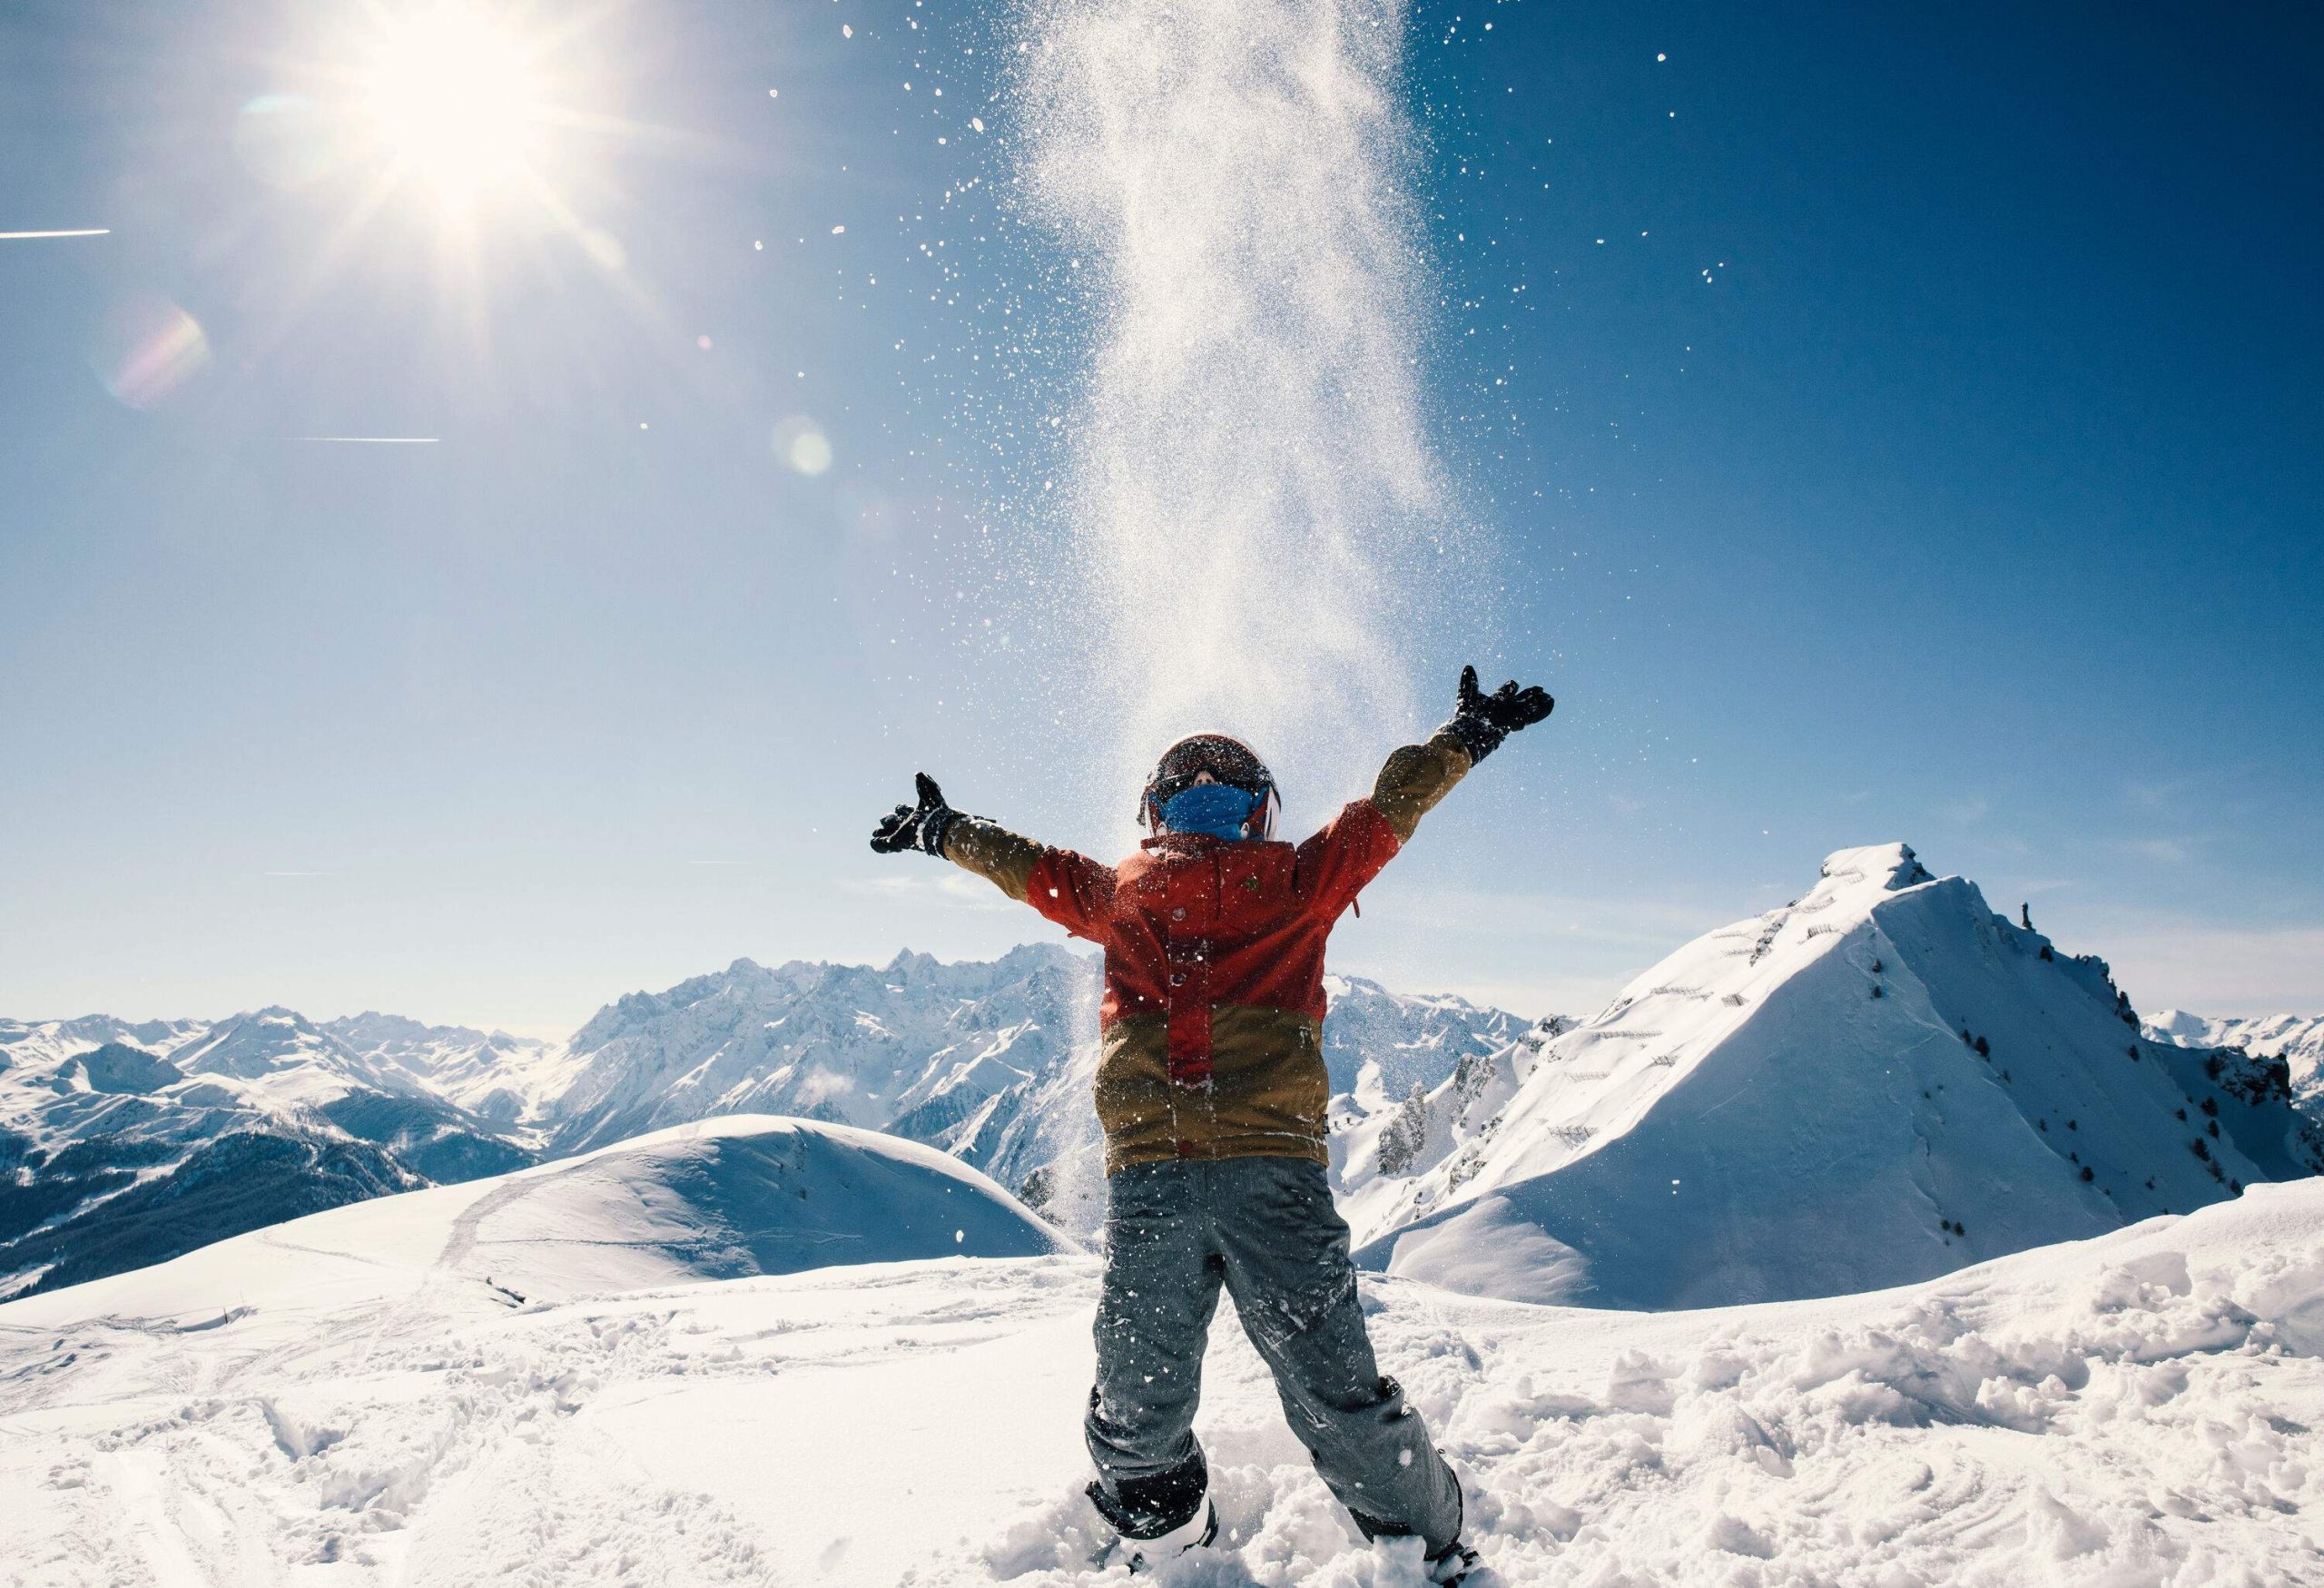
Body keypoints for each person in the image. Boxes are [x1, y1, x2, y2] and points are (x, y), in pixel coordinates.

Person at [870, 666, 1554, 1581]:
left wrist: (944, 830)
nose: (1212, 814)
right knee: (1325, 1391)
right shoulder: (1294, 879)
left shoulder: (1134, 894)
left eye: (1224, 799)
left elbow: (1024, 867)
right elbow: (1392, 807)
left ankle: (1174, 1534)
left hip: (1173, 1182)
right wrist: (1464, 736)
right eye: (1206, 799)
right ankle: (1427, 1554)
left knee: (1139, 1390)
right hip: (1256, 1183)